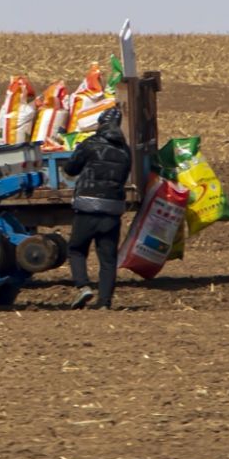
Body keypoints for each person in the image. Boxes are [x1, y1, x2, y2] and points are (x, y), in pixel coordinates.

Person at [62, 106, 130, 309]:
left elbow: (71, 168)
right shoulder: (125, 150)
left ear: (100, 124)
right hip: (112, 210)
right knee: (108, 259)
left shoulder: (90, 144)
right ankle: (104, 303)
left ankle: (83, 287)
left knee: (76, 249)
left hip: (87, 206)